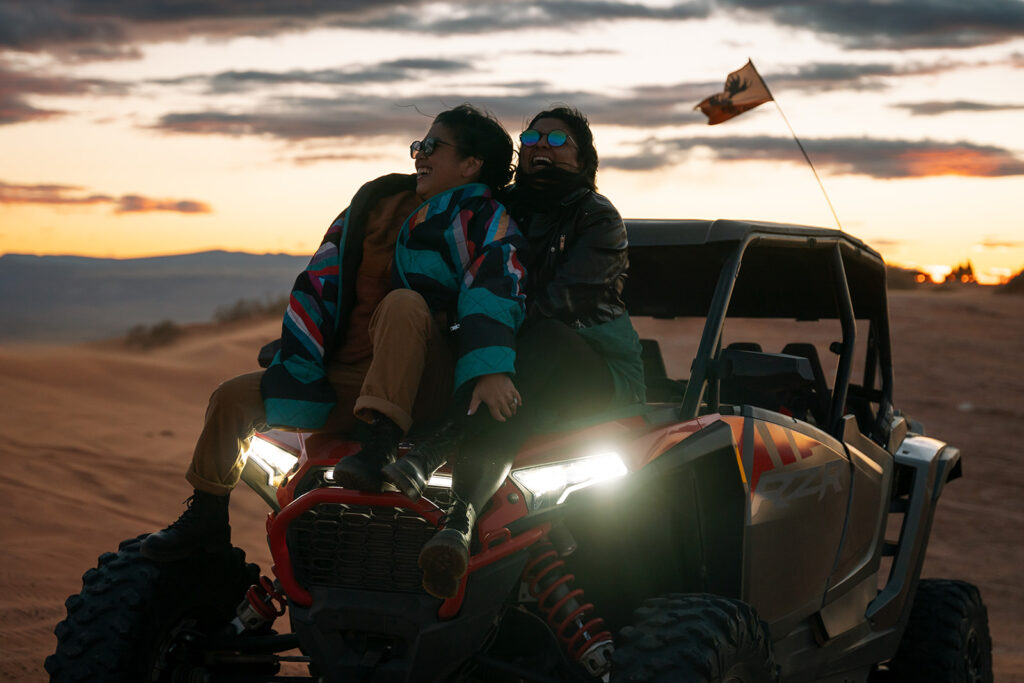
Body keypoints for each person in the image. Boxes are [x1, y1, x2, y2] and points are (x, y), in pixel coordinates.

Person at [140, 104, 526, 562]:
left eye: (432, 147)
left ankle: (378, 448)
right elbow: (320, 282)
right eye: (418, 146)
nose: (419, 155)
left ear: (471, 164)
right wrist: (296, 355)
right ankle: (204, 519)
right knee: (231, 399)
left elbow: (496, 292)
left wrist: (490, 367)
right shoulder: (375, 206)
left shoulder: (487, 220)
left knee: (402, 304)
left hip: (427, 382)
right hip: (351, 379)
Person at [384, 106, 646, 598]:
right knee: (512, 406)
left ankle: (437, 447)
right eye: (531, 136)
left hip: (591, 369)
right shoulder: (492, 208)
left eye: (556, 138)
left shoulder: (597, 218)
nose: (541, 144)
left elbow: (558, 307)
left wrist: (486, 353)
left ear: (583, 158)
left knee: (540, 344)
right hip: (517, 372)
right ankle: (458, 527)